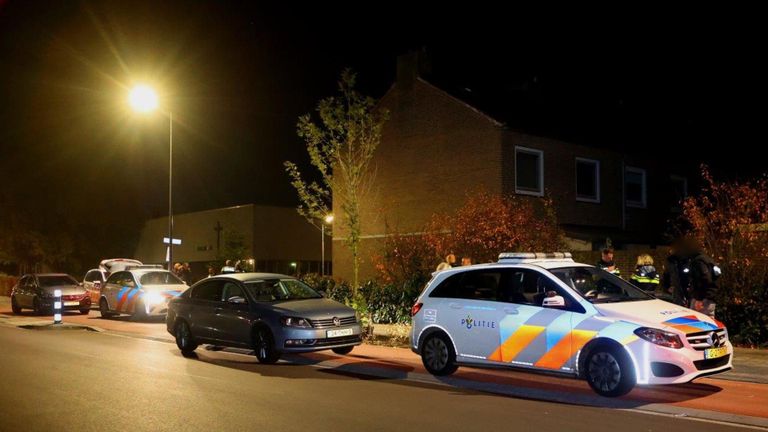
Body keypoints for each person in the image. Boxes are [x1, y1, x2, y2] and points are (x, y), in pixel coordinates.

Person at [688, 245, 721, 318]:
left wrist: (699, 299)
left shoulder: (697, 262)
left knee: (694, 321)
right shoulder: (709, 260)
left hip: (702, 299)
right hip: (710, 297)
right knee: (709, 321)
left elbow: (704, 279)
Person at [661, 238, 693, 307]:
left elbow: (689, 275)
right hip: (676, 290)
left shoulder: (686, 260)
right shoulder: (670, 261)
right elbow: (666, 276)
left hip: (685, 290)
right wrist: (667, 287)